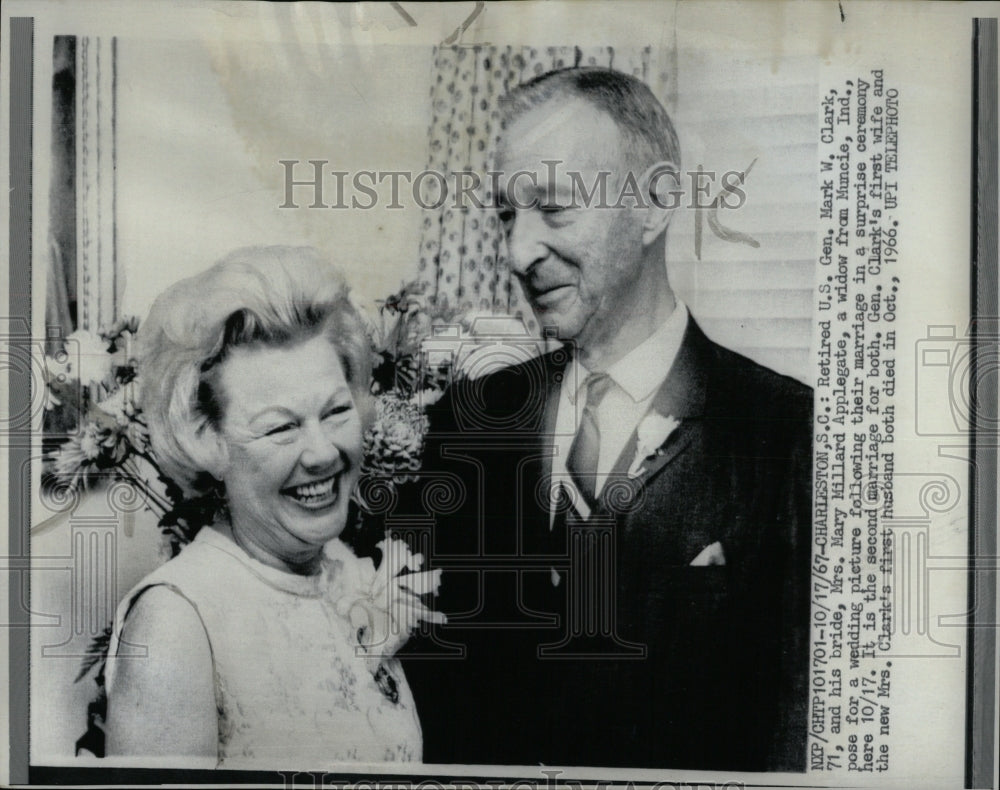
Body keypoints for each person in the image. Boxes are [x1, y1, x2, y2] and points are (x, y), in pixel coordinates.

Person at [400, 67, 812, 771]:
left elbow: (794, 731)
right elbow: (432, 695)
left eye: (554, 208)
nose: (517, 252)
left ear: (654, 205)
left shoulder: (789, 433)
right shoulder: (467, 424)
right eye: (507, 216)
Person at [104, 246, 424, 767]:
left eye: (337, 411)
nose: (322, 452)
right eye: (281, 427)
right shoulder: (177, 622)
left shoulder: (343, 567)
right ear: (206, 439)